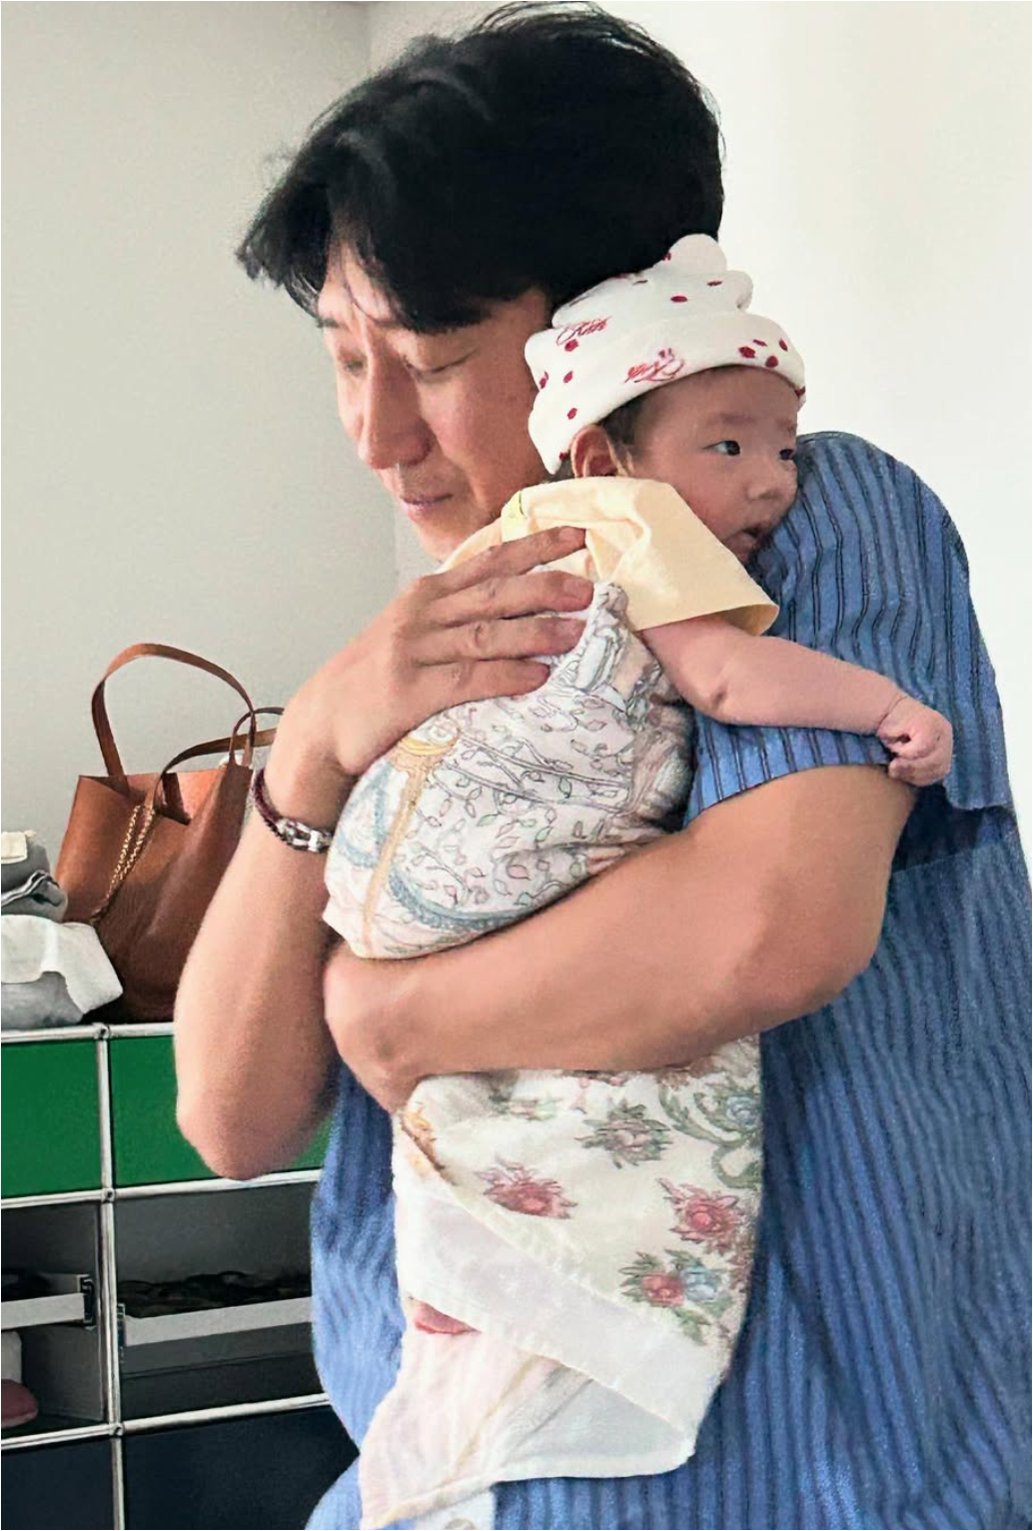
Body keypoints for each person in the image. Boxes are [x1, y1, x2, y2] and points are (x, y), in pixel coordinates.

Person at [174, 6, 1031, 1529]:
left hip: (804, 1473)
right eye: (344, 359)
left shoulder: (796, 519)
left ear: (613, 338)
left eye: (431, 361)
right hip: (454, 1478)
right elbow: (231, 1121)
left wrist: (388, 1012)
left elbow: (764, 928)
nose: (376, 433)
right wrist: (309, 747)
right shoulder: (422, 649)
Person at [321, 235, 954, 1529]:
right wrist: (886, 708)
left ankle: (468, 1334)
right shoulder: (620, 524)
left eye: (782, 447)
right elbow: (724, 674)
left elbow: (766, 933)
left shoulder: (537, 551)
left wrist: (379, 1005)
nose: (772, 481)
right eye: (729, 445)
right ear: (605, 444)